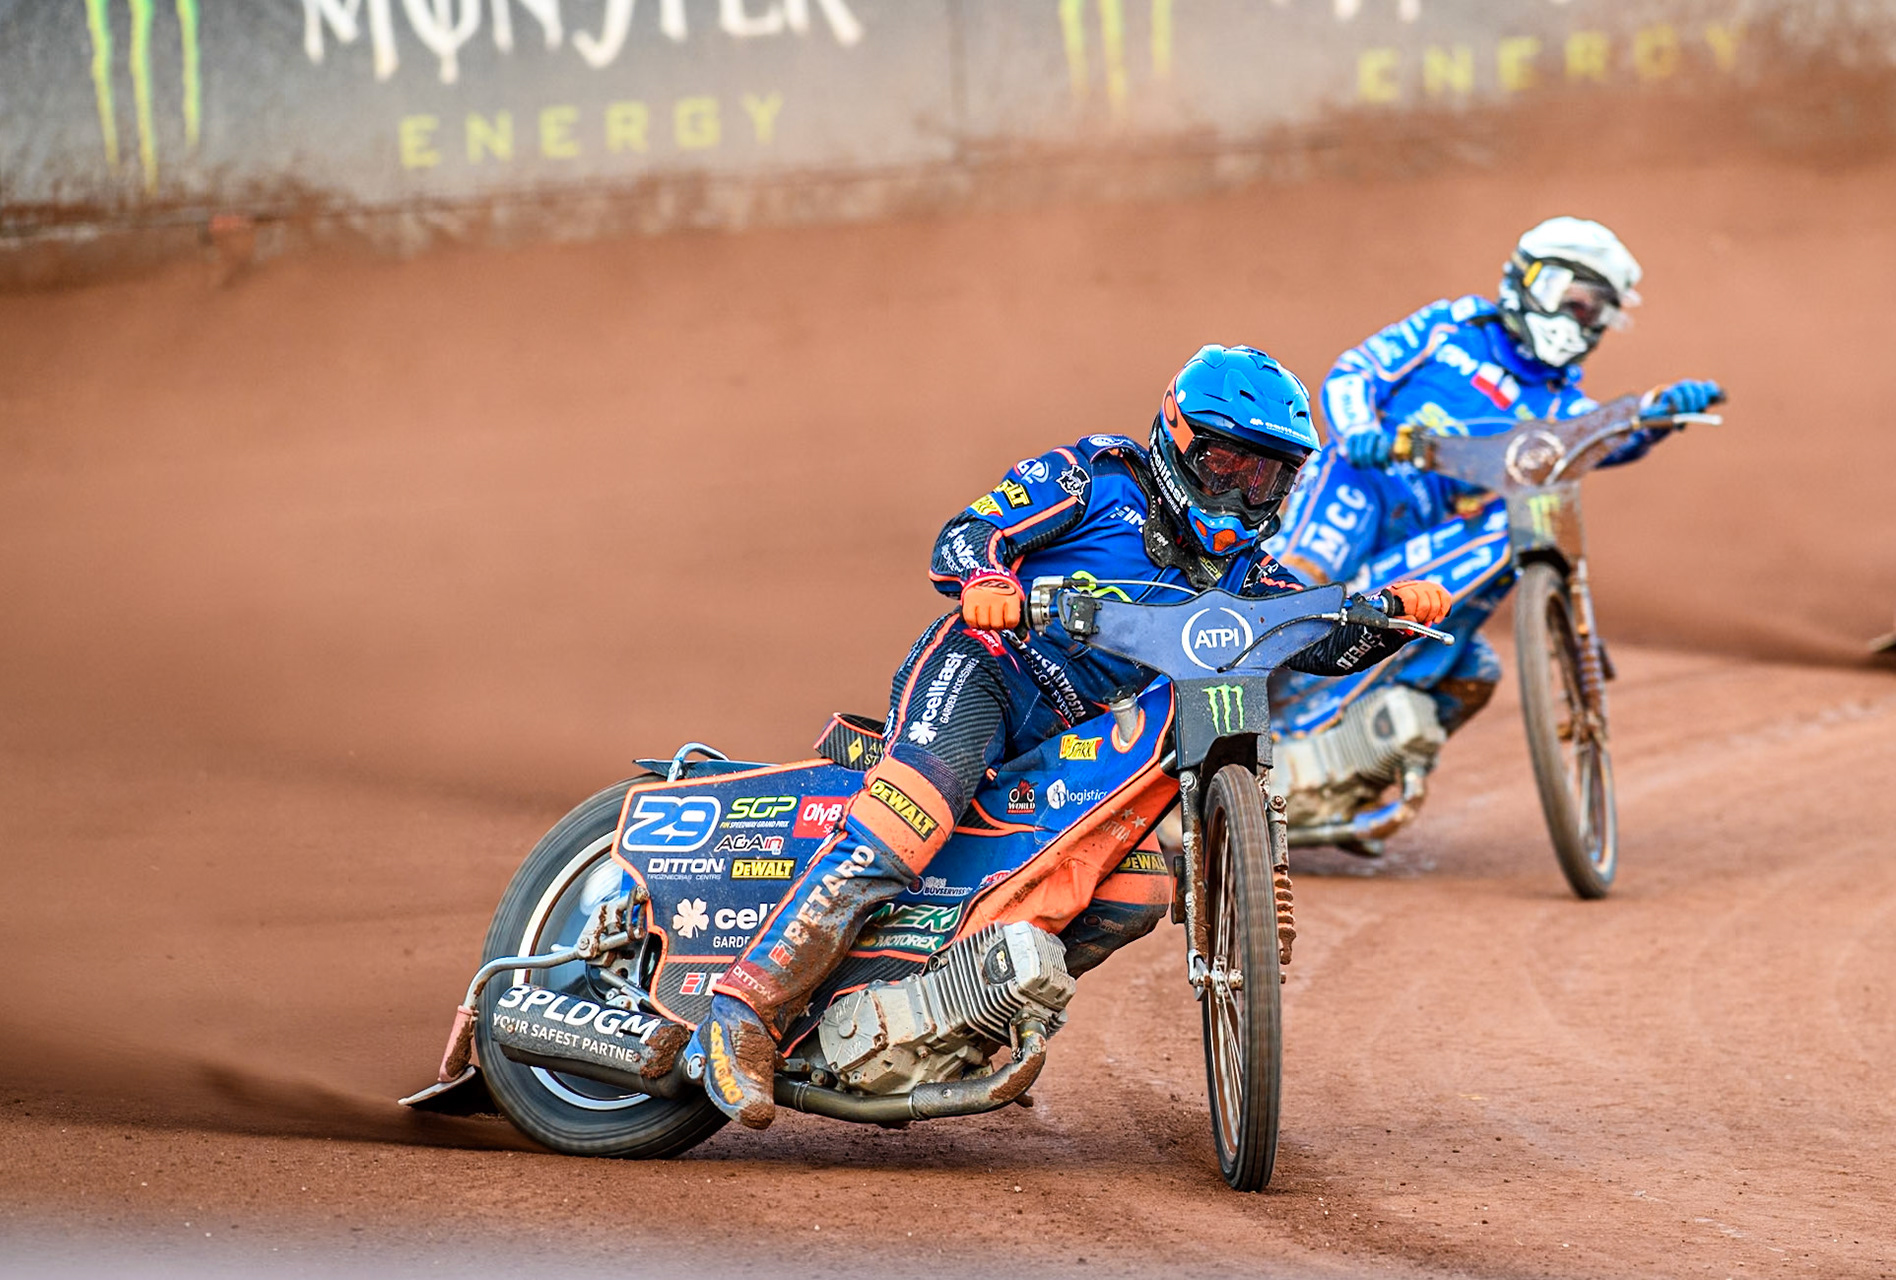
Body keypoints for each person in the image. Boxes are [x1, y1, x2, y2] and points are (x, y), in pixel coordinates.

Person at [694, 344, 1455, 1128]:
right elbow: (965, 534)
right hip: (985, 675)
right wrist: (988, 579)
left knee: (1136, 890)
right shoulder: (1092, 479)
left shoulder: (1247, 574)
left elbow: (1320, 640)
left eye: (1264, 477)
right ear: (1178, 440)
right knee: (902, 827)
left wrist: (1392, 614)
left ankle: (964, 1017)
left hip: (1071, 738)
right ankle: (741, 1012)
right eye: (1225, 463)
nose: (1239, 491)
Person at [1268, 216, 1723, 737]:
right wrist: (1358, 430)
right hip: (1363, 484)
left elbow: (1599, 439)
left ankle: (1360, 766)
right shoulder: (1453, 325)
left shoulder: (1562, 405)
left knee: (1475, 674)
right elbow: (1356, 370)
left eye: (1594, 311)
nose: (1579, 321)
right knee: (1301, 587)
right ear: (1530, 281)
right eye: (1573, 301)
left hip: (1434, 534)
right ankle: (1211, 703)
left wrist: (1657, 413)